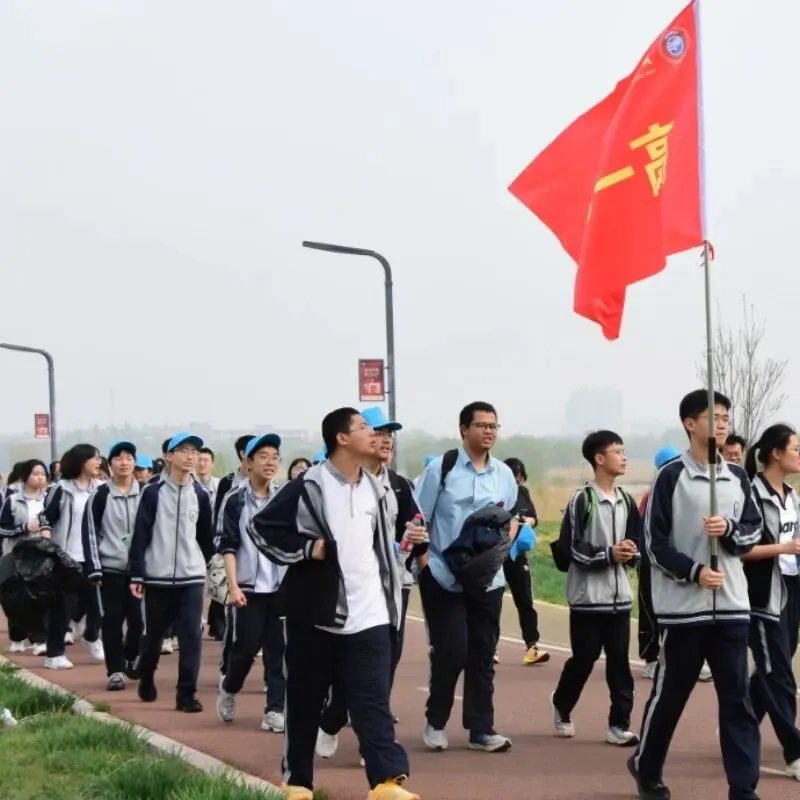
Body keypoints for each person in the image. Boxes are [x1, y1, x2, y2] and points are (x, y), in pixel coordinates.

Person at [248, 407, 418, 800]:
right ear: (341, 438)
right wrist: (308, 548)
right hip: (316, 614)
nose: (374, 434)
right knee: (304, 702)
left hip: (371, 613)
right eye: (364, 427)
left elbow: (381, 547)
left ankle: (386, 782)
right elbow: (261, 528)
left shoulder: (378, 488)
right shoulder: (310, 485)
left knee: (373, 702)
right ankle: (297, 782)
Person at [629, 389, 763, 800]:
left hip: (732, 607)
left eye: (725, 417)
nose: (722, 424)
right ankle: (647, 766)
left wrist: (730, 530)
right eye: (713, 417)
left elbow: (754, 531)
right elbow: (654, 544)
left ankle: (743, 789)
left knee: (737, 702)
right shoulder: (670, 477)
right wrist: (694, 572)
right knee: (671, 696)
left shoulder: (738, 476)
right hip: (684, 611)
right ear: (690, 423)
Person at [316, 406, 426, 760]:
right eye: (378, 432)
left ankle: (371, 742)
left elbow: (414, 527)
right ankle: (333, 719)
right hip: (351, 587)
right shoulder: (336, 482)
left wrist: (415, 539)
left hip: (393, 586)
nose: (386, 440)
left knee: (384, 663)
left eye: (390, 434)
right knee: (349, 664)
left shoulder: (400, 485)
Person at [415, 401, 518, 754]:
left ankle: (481, 729)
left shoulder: (504, 475)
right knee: (452, 652)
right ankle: (436, 720)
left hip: (488, 581)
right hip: (444, 577)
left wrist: (499, 554)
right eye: (481, 425)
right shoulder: (440, 469)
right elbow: (419, 520)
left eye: (493, 425)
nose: (489, 431)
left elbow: (509, 519)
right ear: (463, 429)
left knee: (483, 654)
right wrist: (425, 565)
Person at [550, 431, 640, 746]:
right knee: (584, 660)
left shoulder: (627, 500)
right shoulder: (582, 499)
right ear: (599, 459)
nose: (624, 457)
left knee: (620, 664)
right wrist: (609, 554)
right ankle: (562, 704)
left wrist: (631, 552)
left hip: (620, 600)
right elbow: (572, 548)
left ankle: (619, 725)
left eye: (624, 451)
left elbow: (638, 542)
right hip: (587, 599)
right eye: (618, 452)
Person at [129, 432, 214, 712]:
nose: (191, 456)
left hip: (191, 578)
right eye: (184, 450)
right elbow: (140, 535)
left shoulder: (200, 494)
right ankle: (147, 675)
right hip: (158, 577)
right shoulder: (152, 491)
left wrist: (211, 568)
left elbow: (206, 537)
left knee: (191, 637)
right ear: (169, 456)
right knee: (154, 636)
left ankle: (186, 694)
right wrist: (137, 573)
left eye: (194, 451)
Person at [216, 433, 286, 733]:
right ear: (248, 462)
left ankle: (275, 710)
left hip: (280, 589)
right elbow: (228, 545)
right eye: (263, 457)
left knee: (279, 651)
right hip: (247, 588)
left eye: (275, 457)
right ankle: (230, 687)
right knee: (245, 648)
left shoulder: (283, 497)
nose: (270, 462)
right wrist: (233, 586)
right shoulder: (235, 499)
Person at [742, 425, 800, 778]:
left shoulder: (791, 495)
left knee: (774, 666)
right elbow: (740, 549)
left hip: (791, 590)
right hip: (762, 597)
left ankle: (740, 723)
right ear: (776, 454)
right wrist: (782, 548)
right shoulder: (751, 494)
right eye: (796, 448)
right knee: (780, 676)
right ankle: (794, 752)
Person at [83, 441, 144, 691]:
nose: (124, 462)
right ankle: (115, 670)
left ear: (135, 463)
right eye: (118, 458)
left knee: (139, 621)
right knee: (112, 621)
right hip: (110, 569)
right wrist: (94, 568)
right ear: (110, 464)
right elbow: (90, 533)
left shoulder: (147, 494)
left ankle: (130, 655)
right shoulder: (100, 496)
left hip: (141, 572)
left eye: (128, 457)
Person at [38, 444, 105, 666]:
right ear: (81, 461)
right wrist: (46, 534)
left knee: (96, 604)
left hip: (93, 556)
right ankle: (54, 655)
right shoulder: (61, 488)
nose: (99, 462)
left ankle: (91, 636)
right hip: (66, 556)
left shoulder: (101, 488)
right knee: (62, 607)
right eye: (94, 458)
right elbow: (46, 516)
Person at [501, 457, 549, 666]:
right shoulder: (494, 493)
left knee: (525, 601)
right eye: (514, 479)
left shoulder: (524, 492)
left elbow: (534, 517)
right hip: (496, 554)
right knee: (492, 602)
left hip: (518, 553)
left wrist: (529, 520)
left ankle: (532, 646)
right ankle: (489, 648)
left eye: (520, 479)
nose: (517, 483)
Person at [0, 459, 49, 655]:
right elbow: (3, 528)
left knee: (39, 597)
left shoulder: (50, 499)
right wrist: (24, 528)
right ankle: (17, 636)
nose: (40, 478)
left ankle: (39, 639)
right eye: (35, 474)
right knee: (17, 597)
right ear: (26, 476)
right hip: (16, 554)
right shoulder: (13, 500)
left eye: (43, 474)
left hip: (41, 554)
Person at [209, 435, 255, 641]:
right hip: (231, 543)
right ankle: (223, 629)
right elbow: (219, 513)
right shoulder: (228, 482)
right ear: (243, 454)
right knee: (224, 588)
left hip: (253, 546)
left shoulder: (271, 485)